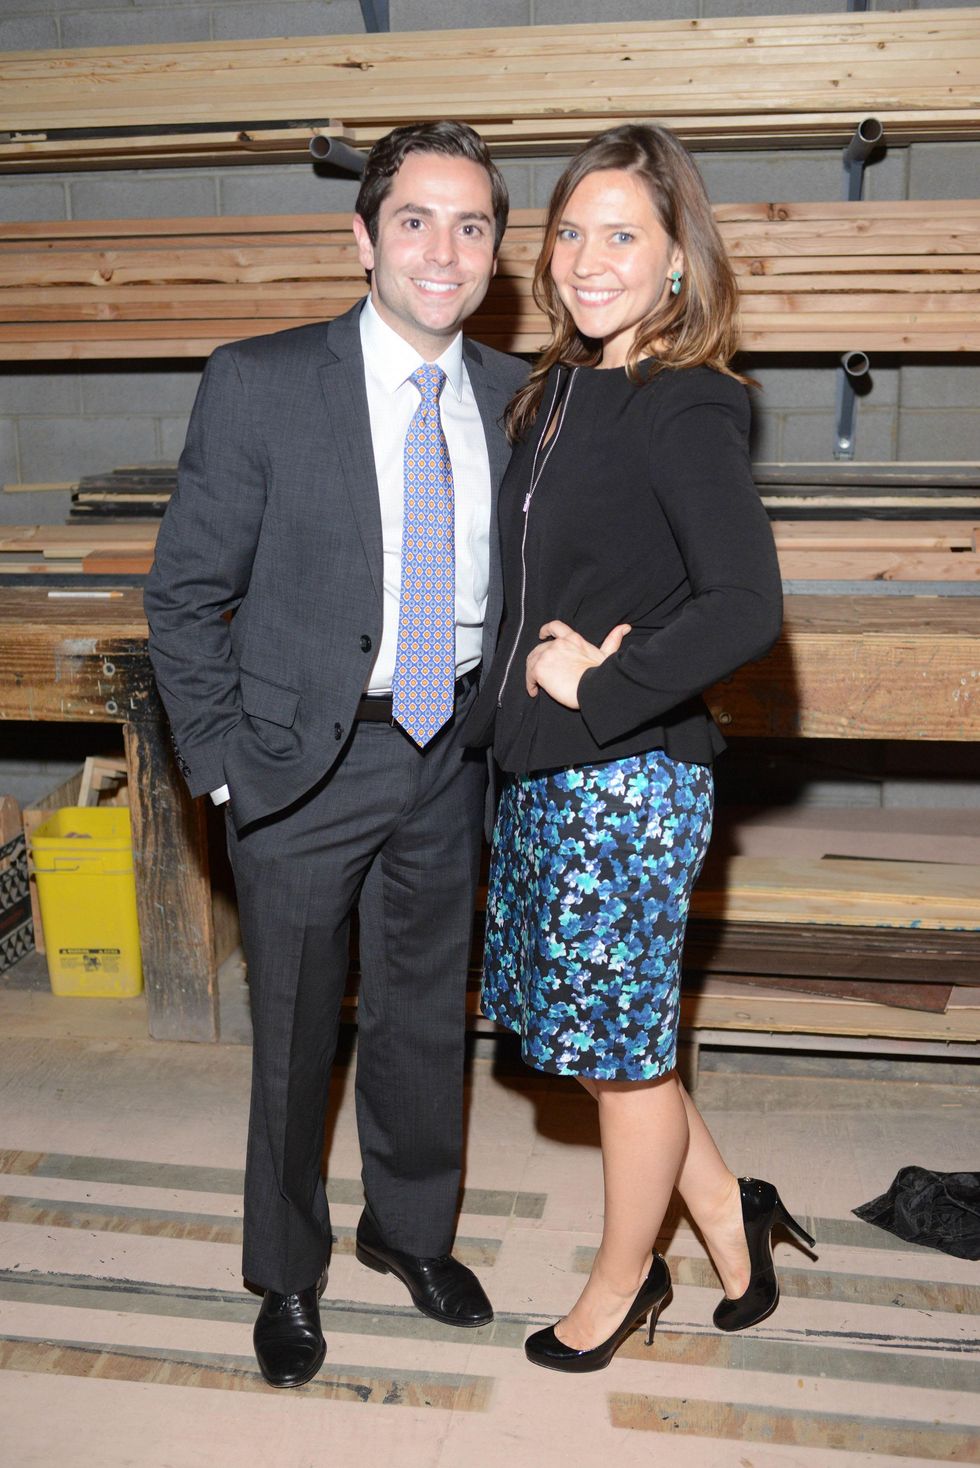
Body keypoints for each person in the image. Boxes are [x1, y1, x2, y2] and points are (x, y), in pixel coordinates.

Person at [144, 121, 527, 1389]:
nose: (442, 249)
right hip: (297, 765)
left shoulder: (514, 396)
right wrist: (219, 766)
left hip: (448, 747)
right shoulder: (260, 380)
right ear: (360, 237)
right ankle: (286, 1273)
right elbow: (184, 597)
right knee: (296, 1032)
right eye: (415, 219)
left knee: (424, 1019)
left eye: (470, 225)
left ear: (495, 253)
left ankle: (409, 1234)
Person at [465, 123, 814, 1374]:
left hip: (625, 779)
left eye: (623, 234)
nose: (587, 257)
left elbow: (743, 604)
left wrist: (604, 681)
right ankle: (731, 1211)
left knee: (615, 1059)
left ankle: (623, 1280)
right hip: (545, 771)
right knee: (617, 1041)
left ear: (677, 261)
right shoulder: (554, 390)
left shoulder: (685, 400)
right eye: (569, 231)